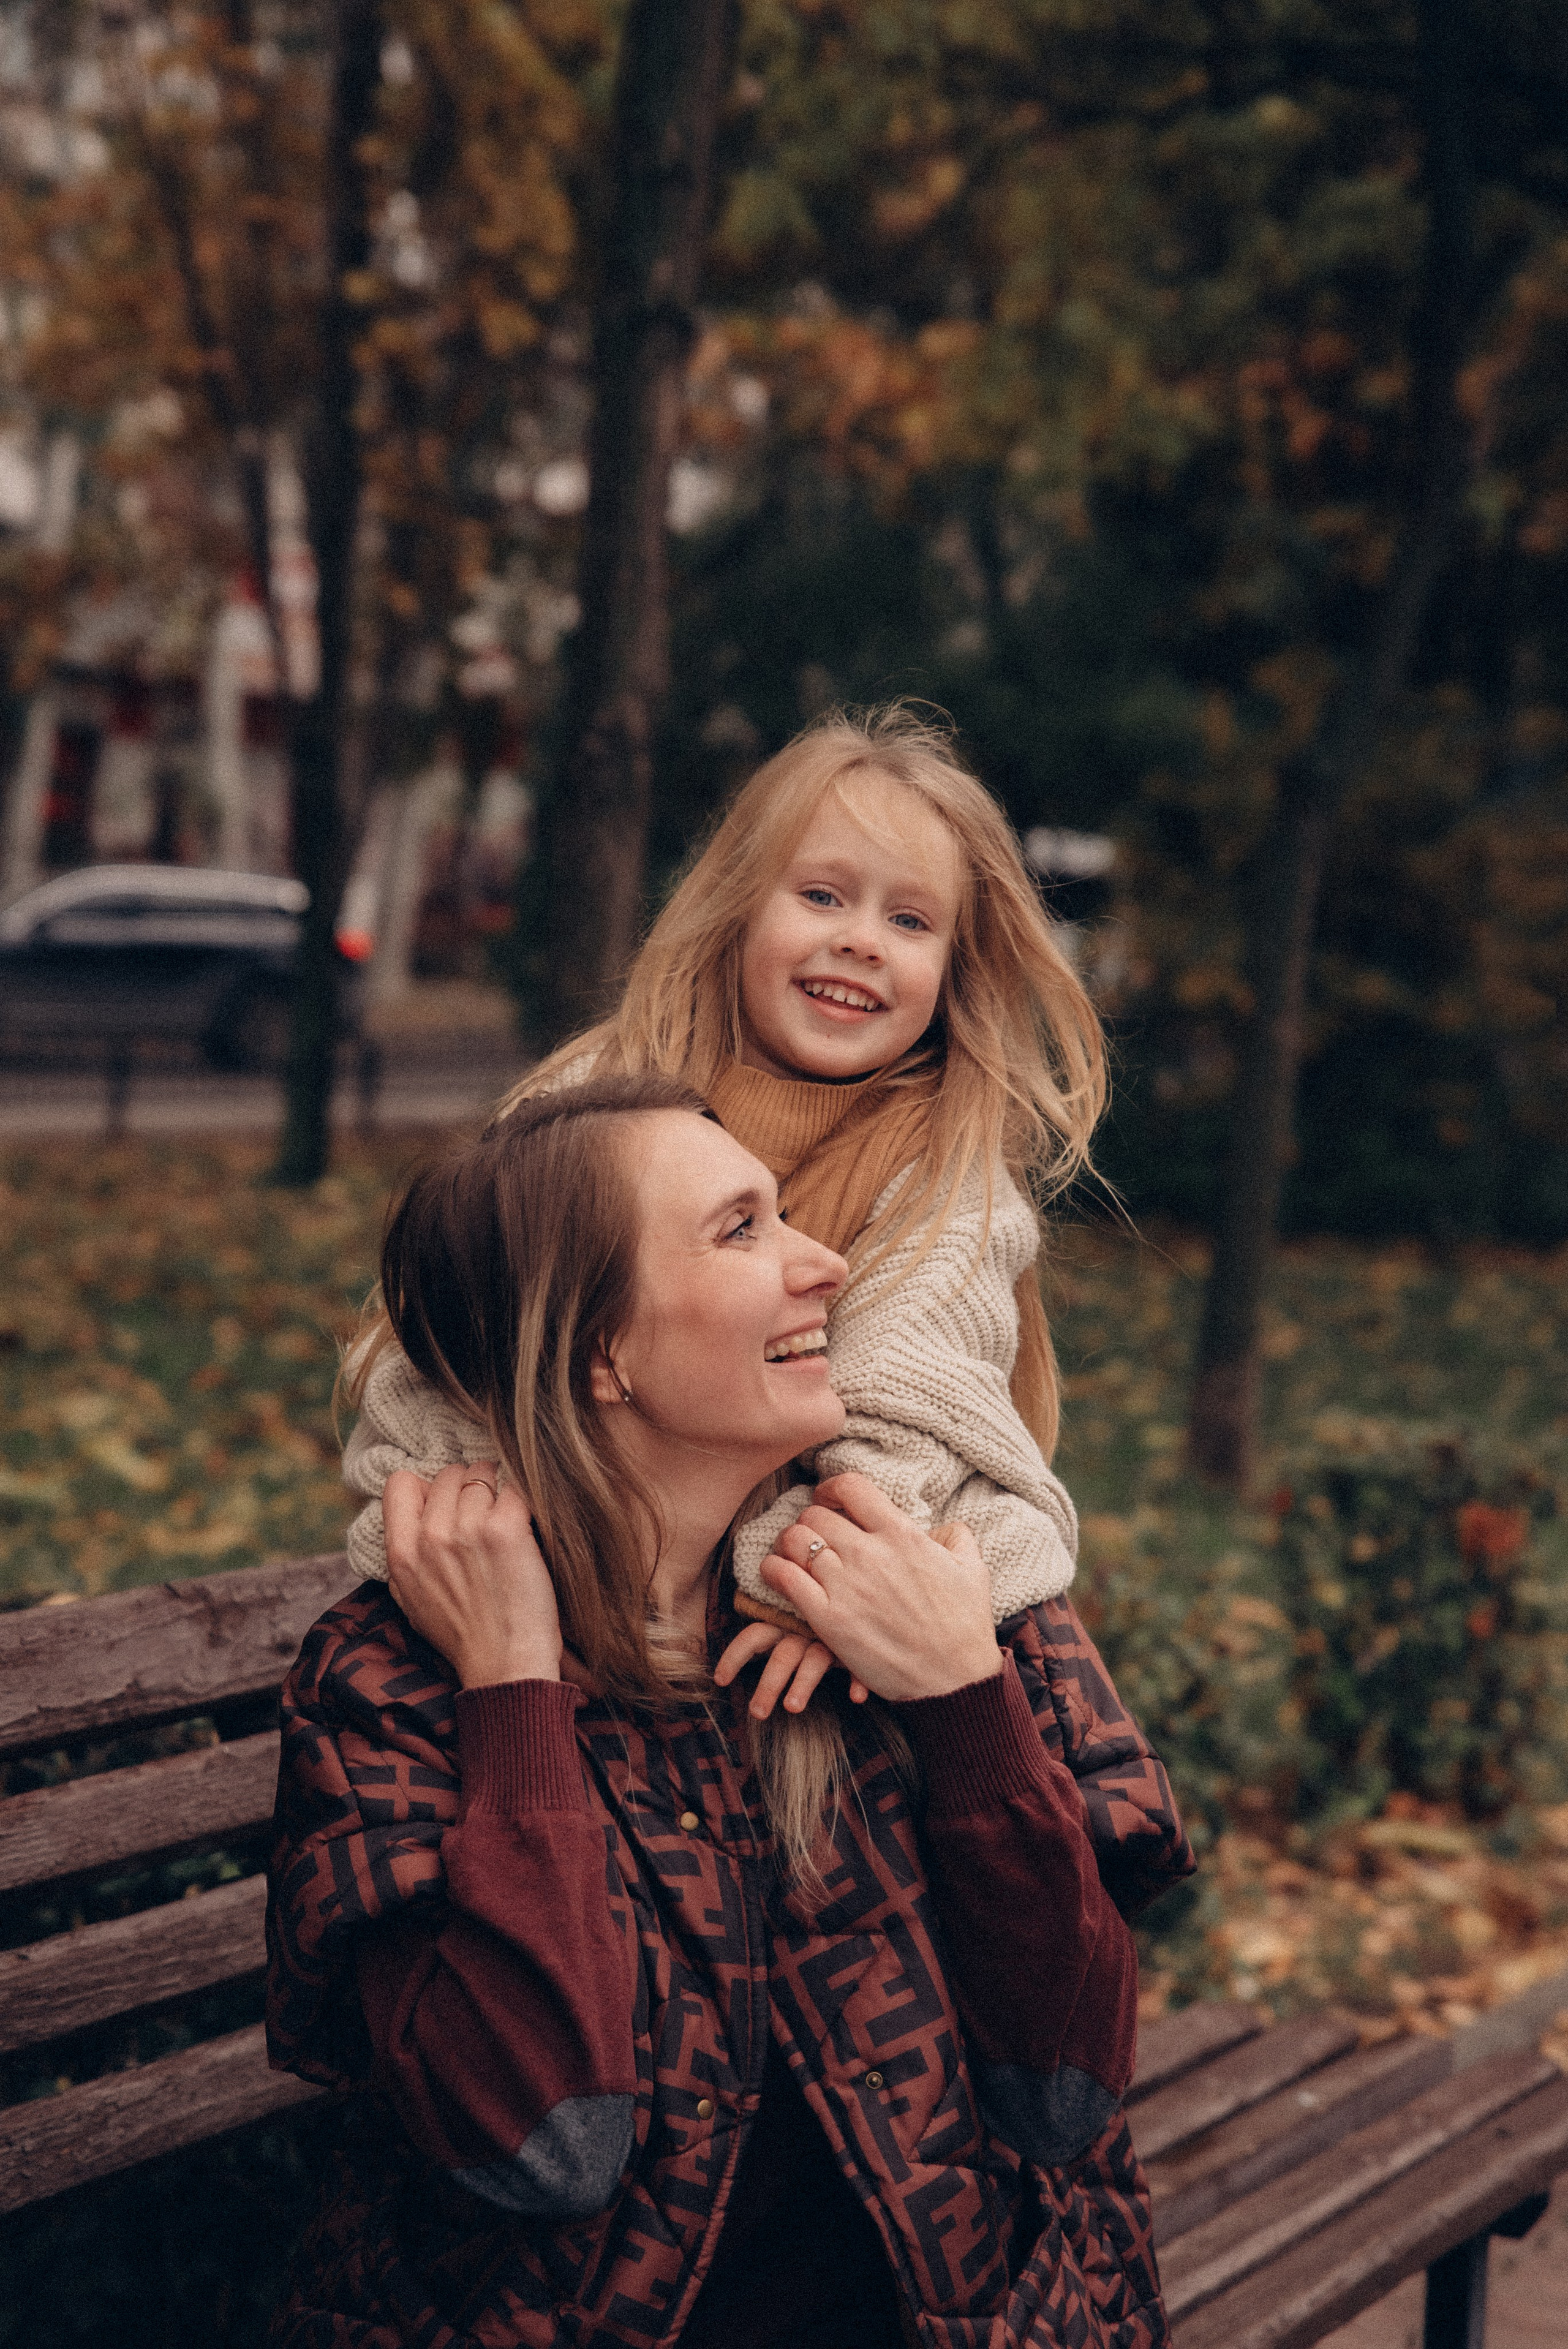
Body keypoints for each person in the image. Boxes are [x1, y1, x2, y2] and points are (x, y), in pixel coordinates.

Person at [265, 1077, 1192, 2348]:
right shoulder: (393, 1683)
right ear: (601, 1353)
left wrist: (963, 1699)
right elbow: (547, 2147)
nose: (827, 1266)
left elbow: (1065, 2092)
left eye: (785, 1216)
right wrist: (515, 1693)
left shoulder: (912, 1590)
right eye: (741, 1230)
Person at [340, 703, 1104, 1721]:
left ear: (955, 971)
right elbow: (461, 1321)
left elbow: (907, 1395)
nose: (861, 942)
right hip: (591, 1563)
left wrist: (810, 1570)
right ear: (739, 905)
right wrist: (477, 1525)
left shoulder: (946, 1170)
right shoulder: (595, 1097)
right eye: (823, 895)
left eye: (911, 922)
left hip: (806, 1583)